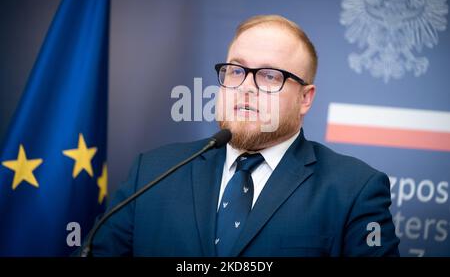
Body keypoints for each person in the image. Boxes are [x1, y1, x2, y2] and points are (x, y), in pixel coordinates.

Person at [91, 15, 400, 256]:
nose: (246, 87)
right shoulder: (152, 173)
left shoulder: (354, 190)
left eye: (269, 76)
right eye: (236, 71)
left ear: (305, 98)